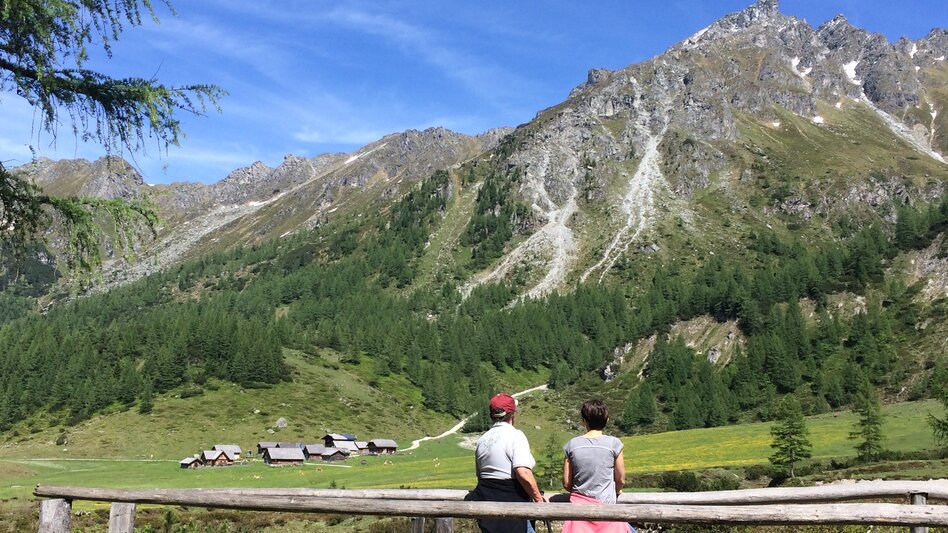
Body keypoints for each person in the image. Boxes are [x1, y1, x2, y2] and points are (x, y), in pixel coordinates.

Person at [467, 392, 545, 533]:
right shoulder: (516, 436)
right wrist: (539, 499)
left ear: (492, 415)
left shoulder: (482, 440)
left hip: (488, 511)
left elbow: (481, 476)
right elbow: (523, 472)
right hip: (514, 508)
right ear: (512, 414)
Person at [561, 400, 632, 533]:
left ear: (583, 421)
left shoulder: (572, 445)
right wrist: (616, 491)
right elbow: (621, 479)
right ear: (607, 420)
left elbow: (566, 482)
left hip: (579, 513)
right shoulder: (614, 444)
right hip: (607, 510)